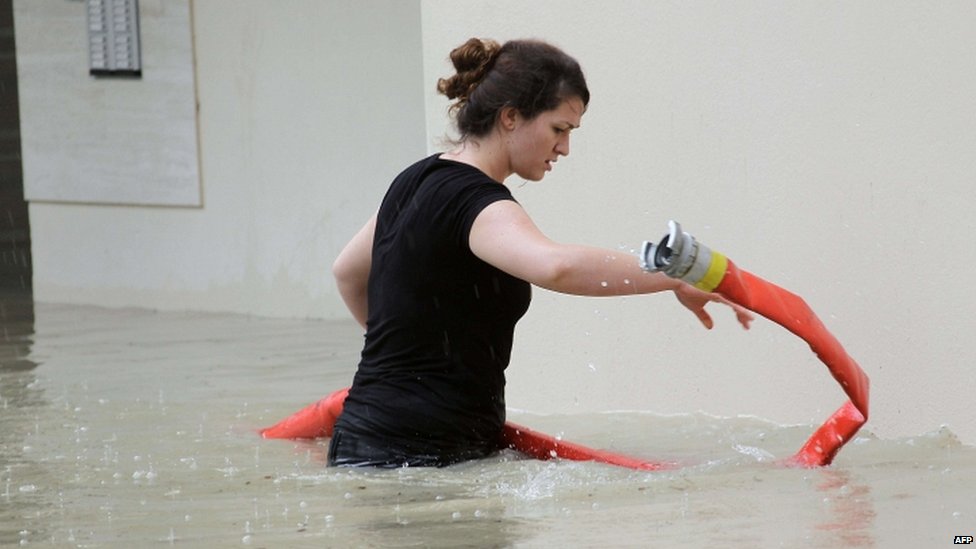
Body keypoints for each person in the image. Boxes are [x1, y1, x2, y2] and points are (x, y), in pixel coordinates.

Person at [328, 37, 753, 468]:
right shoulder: (477, 203)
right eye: (559, 129)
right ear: (511, 117)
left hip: (365, 440)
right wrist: (674, 275)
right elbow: (557, 267)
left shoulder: (414, 180)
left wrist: (406, 361)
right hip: (418, 457)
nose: (564, 148)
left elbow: (346, 272)